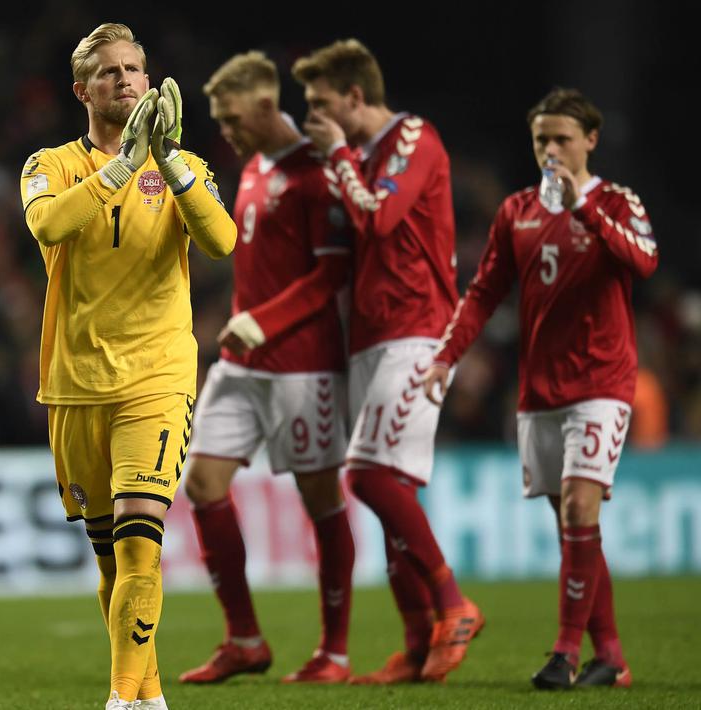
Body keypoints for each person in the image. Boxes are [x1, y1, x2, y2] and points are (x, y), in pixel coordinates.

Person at [19, 22, 236, 710]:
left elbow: (222, 241)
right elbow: (48, 225)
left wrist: (164, 162)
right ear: (81, 90)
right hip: (75, 383)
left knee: (142, 538)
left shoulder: (184, 167)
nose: (124, 80)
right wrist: (122, 166)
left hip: (156, 375)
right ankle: (148, 696)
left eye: (134, 69)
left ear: (149, 82)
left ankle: (118, 699)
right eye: (108, 72)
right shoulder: (49, 164)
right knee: (111, 559)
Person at [425, 88, 656, 690]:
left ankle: (565, 654)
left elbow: (643, 262)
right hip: (540, 389)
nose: (551, 150)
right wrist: (446, 357)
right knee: (573, 528)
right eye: (541, 140)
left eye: (562, 138)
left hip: (602, 382)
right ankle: (612, 656)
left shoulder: (617, 202)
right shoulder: (517, 211)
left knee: (580, 509)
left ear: (590, 141)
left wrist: (585, 209)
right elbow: (484, 292)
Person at [293, 38, 482, 683]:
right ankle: (419, 641)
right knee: (390, 488)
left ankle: (453, 603)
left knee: (370, 478)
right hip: (371, 338)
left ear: (354, 96)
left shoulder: (411, 138)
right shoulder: (363, 156)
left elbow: (379, 217)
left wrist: (336, 156)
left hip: (418, 331)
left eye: (321, 103)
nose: (313, 117)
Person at [177, 50, 354, 686]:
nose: (224, 130)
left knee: (320, 499)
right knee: (202, 485)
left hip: (302, 367)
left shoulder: (317, 173)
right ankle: (245, 640)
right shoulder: (253, 166)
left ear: (264, 105)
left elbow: (331, 272)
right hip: (241, 362)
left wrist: (266, 321)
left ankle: (334, 653)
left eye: (231, 118)